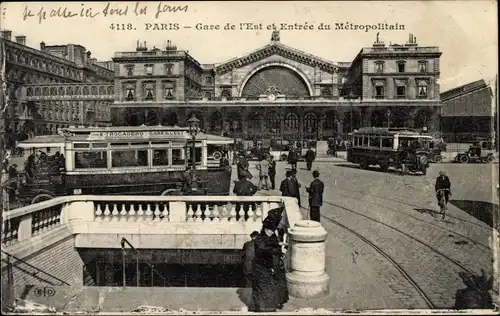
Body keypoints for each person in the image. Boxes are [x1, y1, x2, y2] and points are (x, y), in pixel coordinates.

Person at [251, 216, 282, 312]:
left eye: (273, 231)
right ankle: (262, 309)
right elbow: (264, 249)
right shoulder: (259, 239)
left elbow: (277, 249)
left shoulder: (272, 237)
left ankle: (269, 308)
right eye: (270, 230)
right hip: (261, 268)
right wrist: (274, 249)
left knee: (269, 288)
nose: (272, 232)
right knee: (262, 289)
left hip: (269, 267)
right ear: (265, 229)